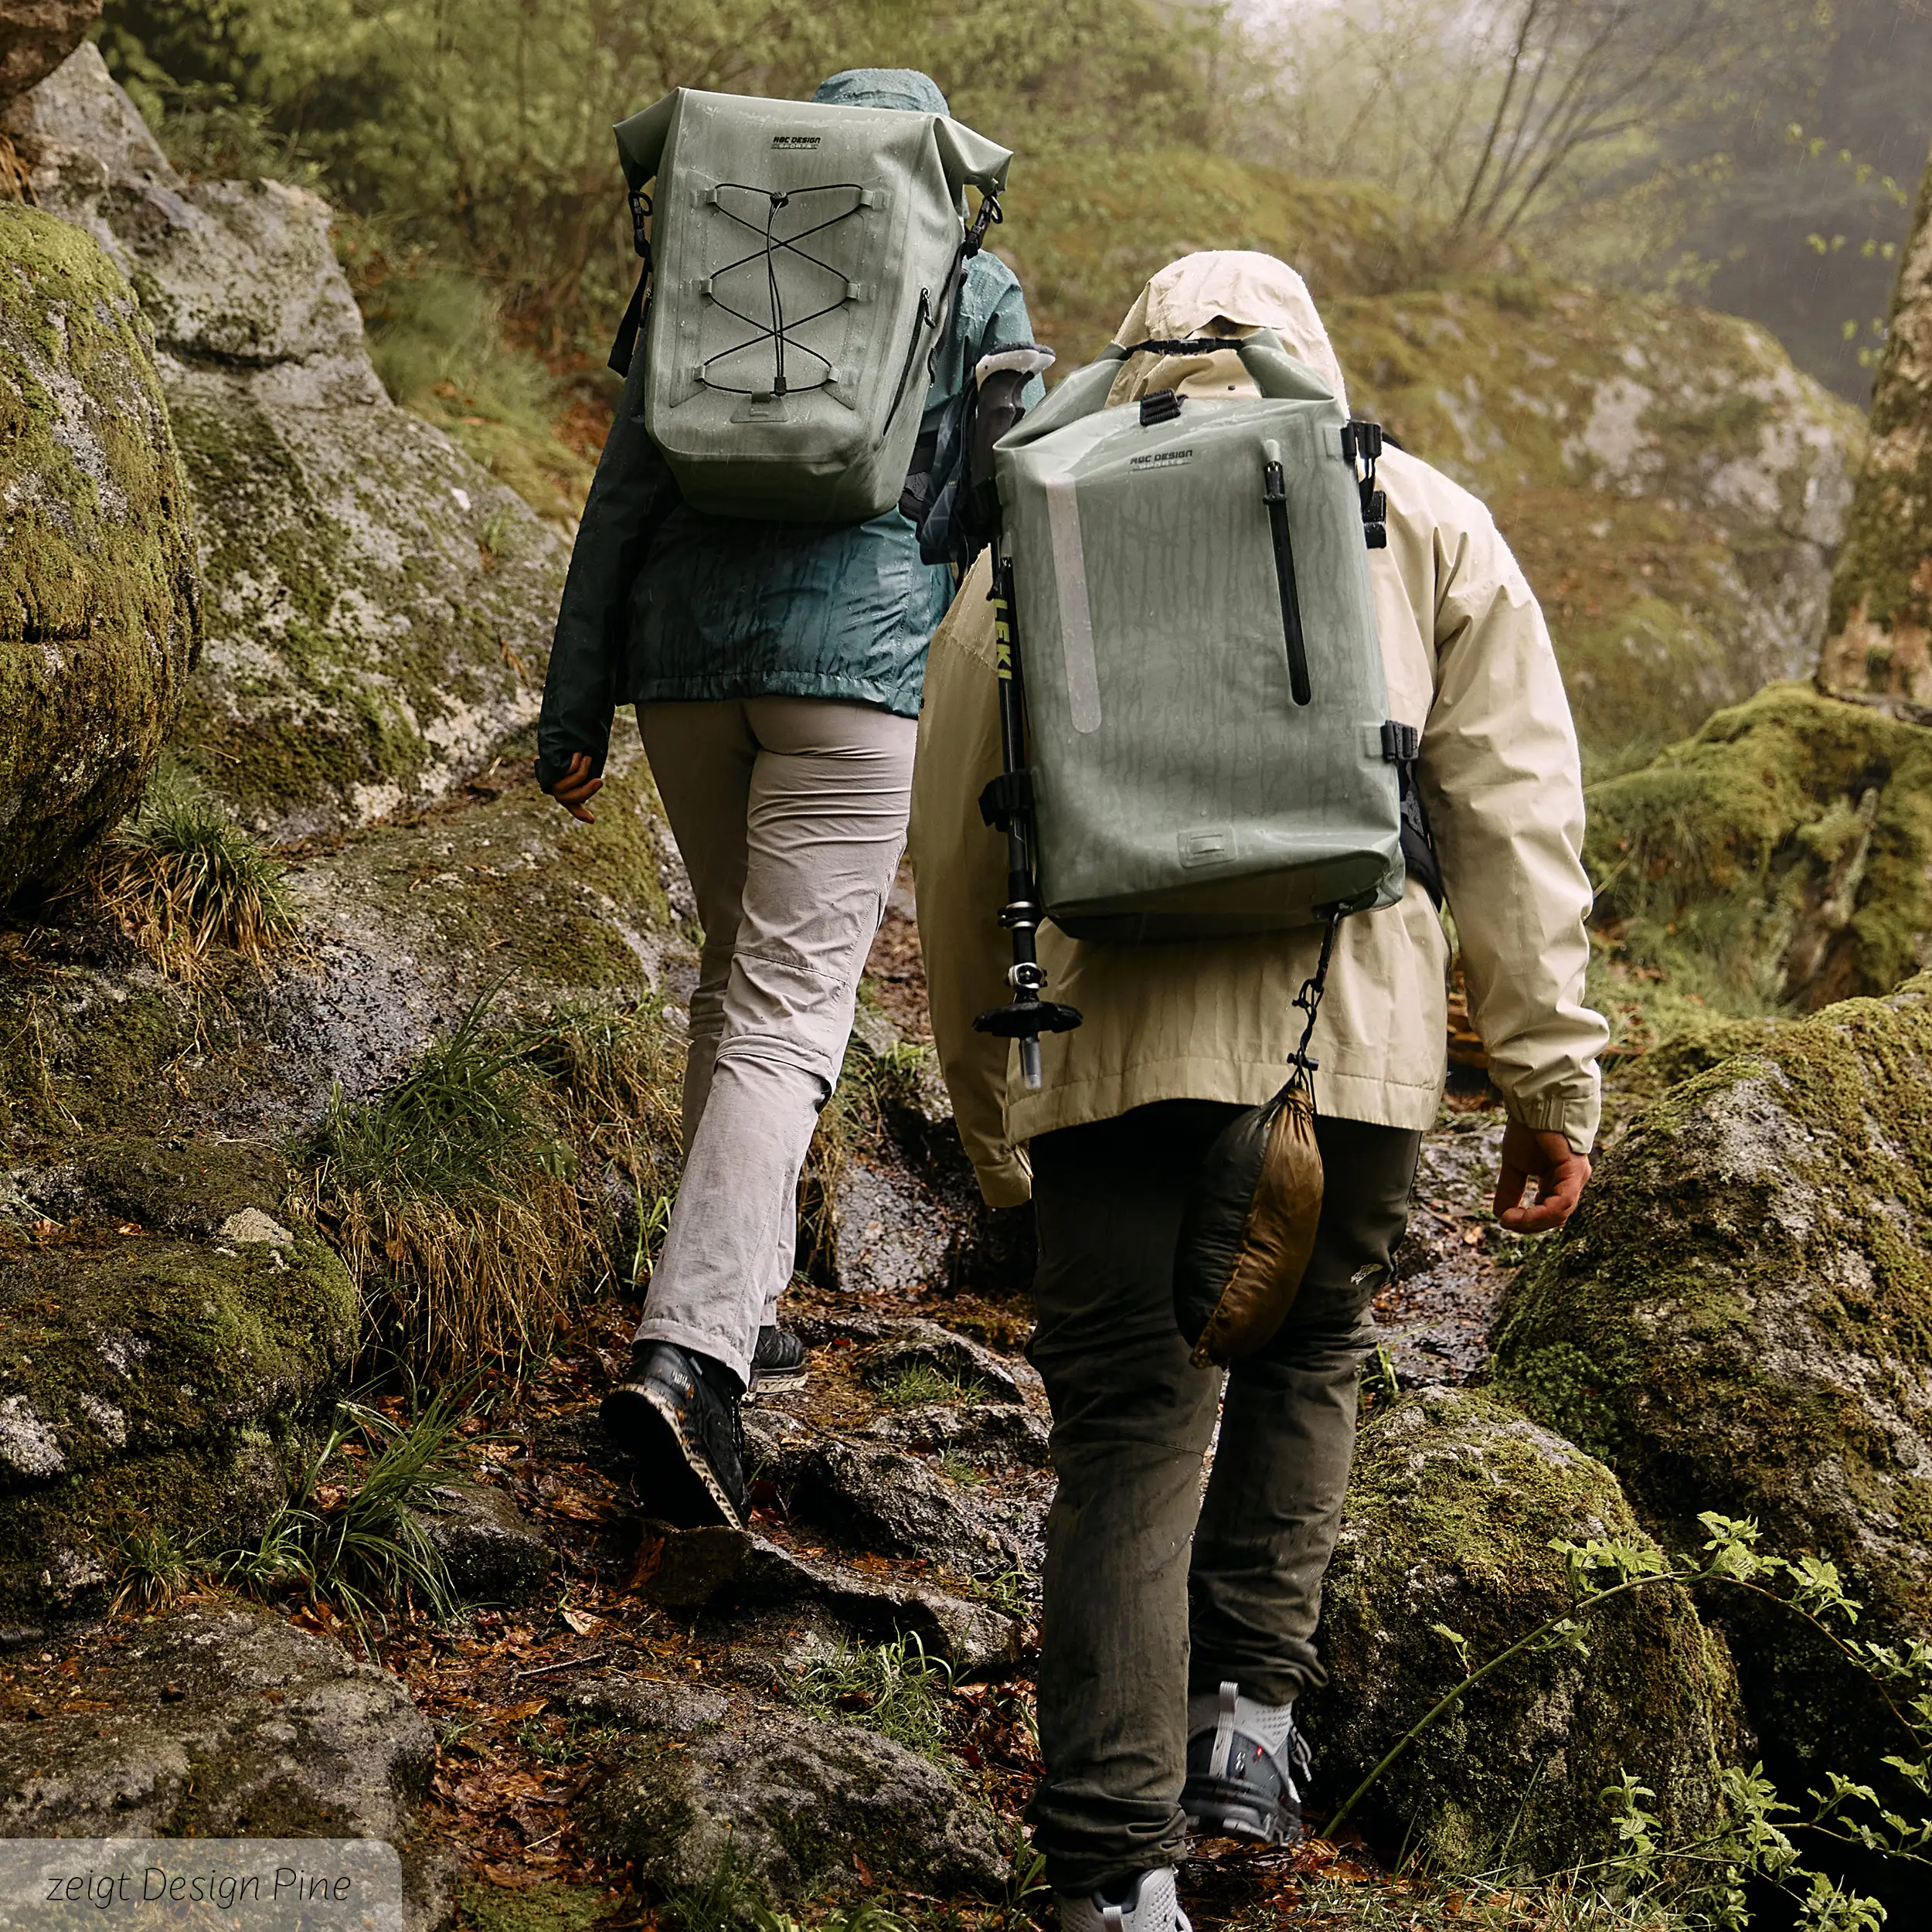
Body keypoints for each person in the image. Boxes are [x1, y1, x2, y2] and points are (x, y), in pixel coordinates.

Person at [909, 251, 1608, 1932]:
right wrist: (1545, 1074)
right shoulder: (1417, 509)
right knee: (1308, 1350)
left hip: (1106, 1054)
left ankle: (1106, 1870)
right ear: (1308, 354)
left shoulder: (1041, 516)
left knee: (1128, 1433)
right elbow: (1513, 808)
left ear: (1135, 354)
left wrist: (992, 1110)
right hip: (1349, 1051)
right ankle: (1243, 1730)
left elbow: (948, 836)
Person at [535, 68, 1045, 1531]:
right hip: (857, 673)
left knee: (735, 977)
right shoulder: (973, 273)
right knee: (788, 1010)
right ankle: (692, 1356)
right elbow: (1016, 503)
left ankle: (745, 1299)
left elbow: (621, 491)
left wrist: (576, 708)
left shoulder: (719, 255)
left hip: (686, 670)